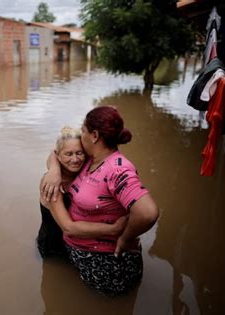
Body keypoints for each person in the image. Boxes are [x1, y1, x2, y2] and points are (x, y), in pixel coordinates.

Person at [41, 106, 159, 295]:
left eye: (84, 130)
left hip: (107, 266)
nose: (81, 136)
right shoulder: (90, 158)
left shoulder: (116, 169)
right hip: (79, 256)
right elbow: (57, 152)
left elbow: (147, 212)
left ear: (94, 135)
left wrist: (124, 237)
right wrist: (54, 170)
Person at [37, 126, 127, 258]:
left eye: (79, 153)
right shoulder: (51, 184)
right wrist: (114, 229)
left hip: (83, 247)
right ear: (58, 156)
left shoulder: (85, 169)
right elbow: (68, 228)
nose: (75, 159)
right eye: (68, 154)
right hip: (54, 248)